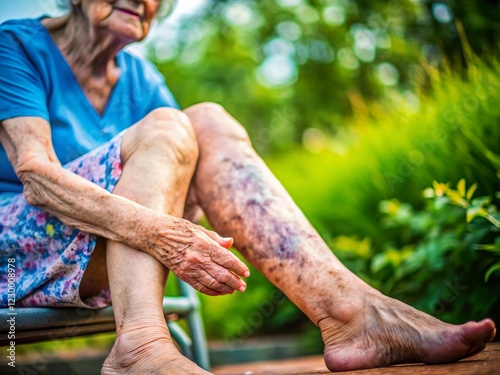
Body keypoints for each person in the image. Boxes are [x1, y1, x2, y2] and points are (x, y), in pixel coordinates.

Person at [0, 0, 495, 373]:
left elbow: (178, 170)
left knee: (206, 123)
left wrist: (171, 227)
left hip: (97, 254)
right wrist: (166, 236)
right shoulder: (17, 45)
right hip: (15, 255)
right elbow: (38, 178)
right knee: (169, 127)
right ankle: (142, 346)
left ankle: (349, 312)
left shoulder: (141, 79)